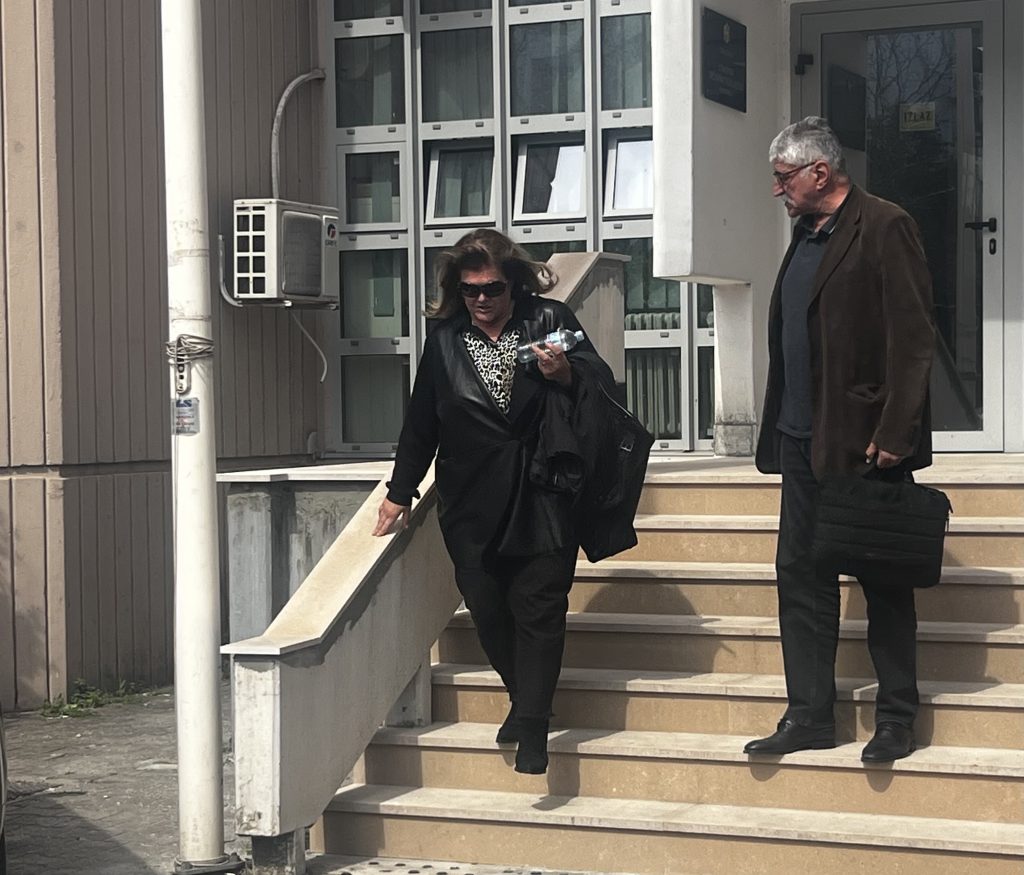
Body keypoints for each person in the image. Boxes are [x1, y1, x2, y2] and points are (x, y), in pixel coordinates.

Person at [372, 228, 624, 775]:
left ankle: (532, 726)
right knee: (487, 609)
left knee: (540, 610)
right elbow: (422, 422)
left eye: (492, 288)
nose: (481, 299)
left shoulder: (550, 319)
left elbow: (604, 385)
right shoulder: (444, 340)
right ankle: (525, 698)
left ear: (514, 284)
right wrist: (399, 491)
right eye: (470, 290)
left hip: (543, 490)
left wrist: (566, 375)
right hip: (471, 500)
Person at [745, 117, 936, 763]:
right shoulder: (805, 234)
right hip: (800, 440)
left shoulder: (885, 225)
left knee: (884, 581)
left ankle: (896, 719)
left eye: (783, 178)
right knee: (801, 578)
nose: (778, 190)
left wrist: (896, 431)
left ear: (819, 173)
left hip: (864, 444)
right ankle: (809, 716)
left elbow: (913, 338)